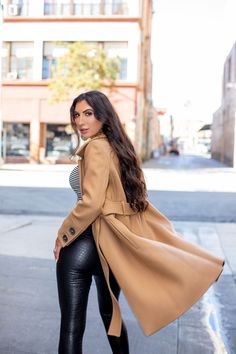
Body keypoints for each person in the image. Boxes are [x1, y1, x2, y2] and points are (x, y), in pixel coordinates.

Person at [54, 90, 224, 354]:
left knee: (72, 327)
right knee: (112, 318)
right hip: (111, 249)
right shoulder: (121, 148)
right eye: (76, 115)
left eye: (88, 113)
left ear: (103, 115)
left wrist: (63, 235)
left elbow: (91, 203)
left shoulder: (96, 147)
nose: (80, 121)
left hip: (83, 245)